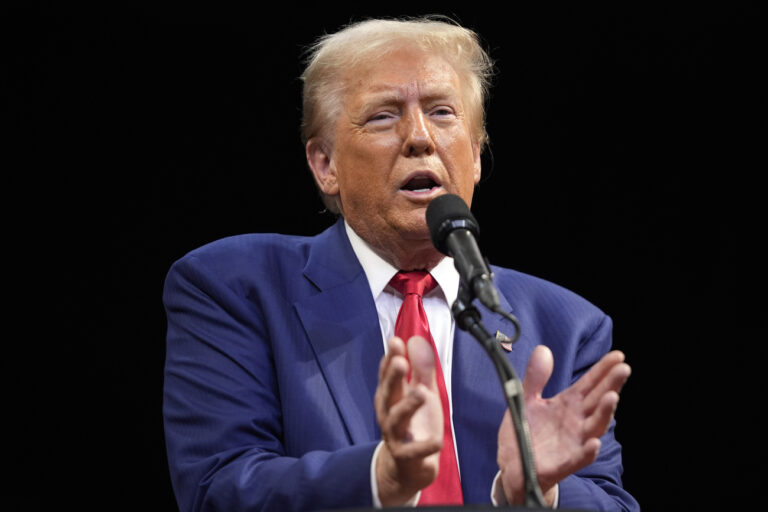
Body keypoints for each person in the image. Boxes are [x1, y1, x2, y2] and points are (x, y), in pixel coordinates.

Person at [162, 16, 638, 511]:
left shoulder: (565, 327)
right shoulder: (236, 287)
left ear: (475, 157)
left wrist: (540, 492)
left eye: (442, 112)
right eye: (383, 116)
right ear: (325, 166)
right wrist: (382, 478)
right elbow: (218, 487)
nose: (419, 137)